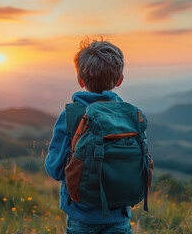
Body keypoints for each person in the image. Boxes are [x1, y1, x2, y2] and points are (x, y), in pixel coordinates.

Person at [45, 38, 134, 234]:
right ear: (119, 80)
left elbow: (56, 169)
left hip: (81, 217)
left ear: (80, 80)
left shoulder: (71, 116)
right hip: (119, 216)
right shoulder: (129, 116)